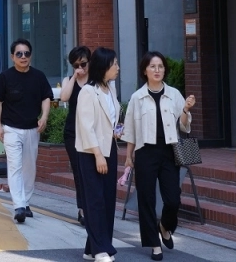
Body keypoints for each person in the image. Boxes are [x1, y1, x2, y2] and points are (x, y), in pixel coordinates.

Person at [121, 52, 196, 260]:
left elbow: (184, 125)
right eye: (152, 66)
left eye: (160, 66)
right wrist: (128, 156)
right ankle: (154, 244)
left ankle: (165, 226)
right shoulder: (137, 97)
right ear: (145, 70)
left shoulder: (174, 94)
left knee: (173, 199)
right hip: (145, 152)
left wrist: (186, 108)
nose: (157, 70)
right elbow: (130, 130)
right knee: (146, 199)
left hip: (170, 151)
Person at [0, 38, 54, 223]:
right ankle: (18, 205)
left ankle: (25, 202)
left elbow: (46, 98)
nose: (23, 57)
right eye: (19, 54)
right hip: (11, 129)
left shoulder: (39, 76)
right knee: (15, 166)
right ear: (12, 57)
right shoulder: (5, 77)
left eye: (26, 53)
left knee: (29, 168)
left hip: (32, 129)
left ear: (30, 56)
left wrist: (44, 117)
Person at [75, 47, 121, 262]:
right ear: (104, 67)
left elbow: (109, 119)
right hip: (91, 152)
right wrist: (98, 155)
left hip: (110, 148)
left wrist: (117, 131)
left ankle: (91, 248)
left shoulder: (110, 89)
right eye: (114, 64)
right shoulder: (87, 92)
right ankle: (101, 249)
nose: (118, 68)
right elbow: (86, 127)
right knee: (95, 200)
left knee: (108, 199)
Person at [58, 45, 91, 227]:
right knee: (78, 170)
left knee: (89, 171)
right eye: (76, 64)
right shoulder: (68, 80)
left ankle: (91, 206)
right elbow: (64, 97)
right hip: (73, 133)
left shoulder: (95, 81)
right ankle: (82, 208)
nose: (81, 68)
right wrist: (74, 78)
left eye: (84, 64)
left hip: (91, 133)